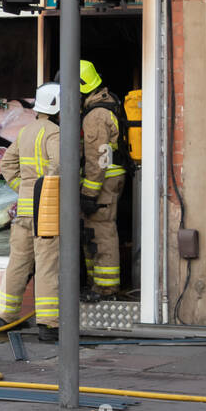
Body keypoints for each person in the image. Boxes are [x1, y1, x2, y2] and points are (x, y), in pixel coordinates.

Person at [0, 82, 62, 342]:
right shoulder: (55, 133)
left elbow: (6, 164)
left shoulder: (26, 132)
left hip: (24, 211)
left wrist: (23, 188)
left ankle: (4, 318)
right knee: (46, 265)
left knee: (19, 263)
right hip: (45, 212)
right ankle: (48, 324)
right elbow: (59, 167)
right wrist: (49, 192)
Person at [78, 60, 127, 302]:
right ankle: (95, 283)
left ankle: (105, 289)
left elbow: (97, 158)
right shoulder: (105, 105)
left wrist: (89, 193)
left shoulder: (95, 115)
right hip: (109, 178)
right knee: (93, 231)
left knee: (102, 231)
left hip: (103, 181)